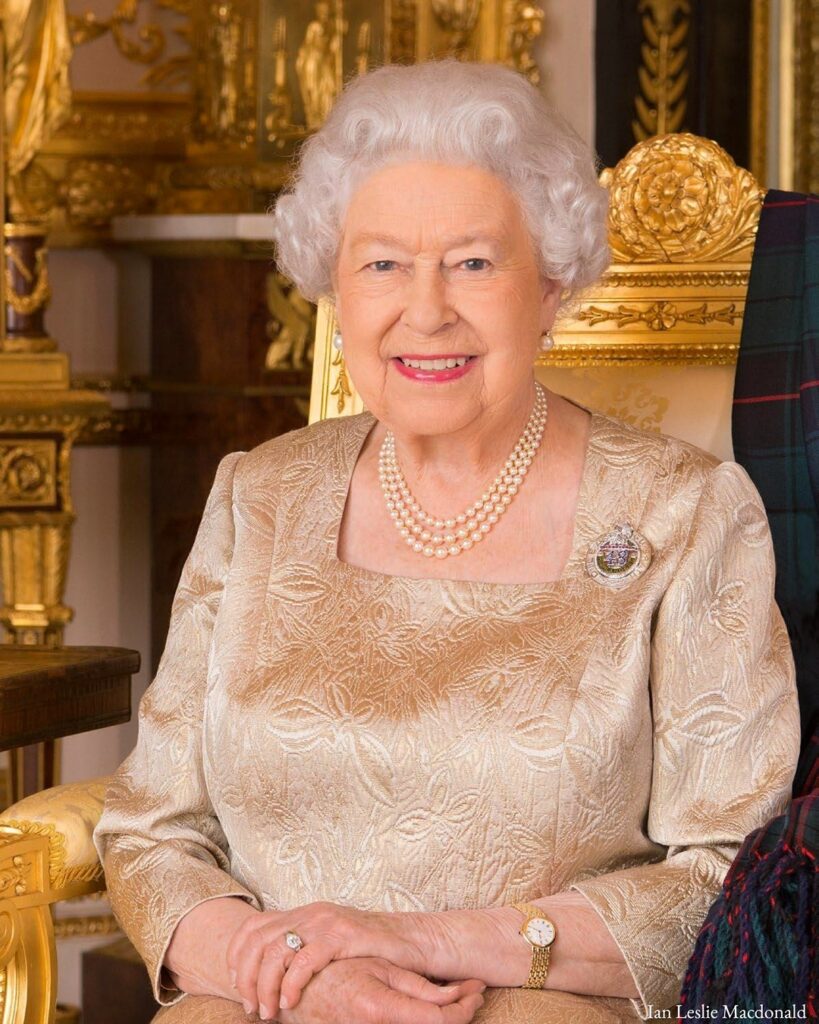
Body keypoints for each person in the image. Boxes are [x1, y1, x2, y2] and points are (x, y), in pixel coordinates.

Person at [92, 60, 802, 1024]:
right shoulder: (256, 496)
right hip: (265, 1001)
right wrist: (303, 969)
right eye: (382, 263)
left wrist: (420, 943)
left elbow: (729, 884)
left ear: (550, 285)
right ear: (333, 288)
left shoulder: (687, 514)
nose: (424, 310)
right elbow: (151, 830)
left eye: (472, 261)